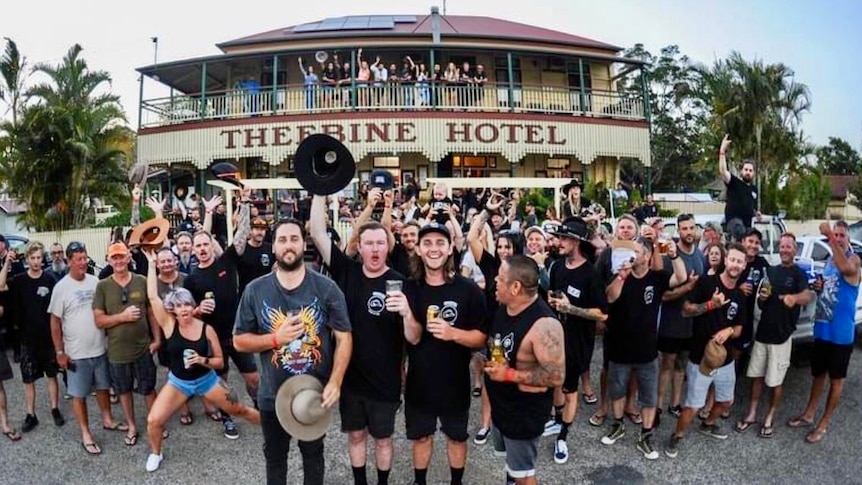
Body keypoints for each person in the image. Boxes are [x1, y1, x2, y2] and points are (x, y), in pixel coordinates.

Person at [233, 219, 352, 485]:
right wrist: (276, 338)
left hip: (313, 393)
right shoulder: (256, 290)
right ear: (273, 246)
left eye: (294, 239)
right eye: (282, 239)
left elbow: (344, 337)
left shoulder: (326, 288)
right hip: (272, 394)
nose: (289, 245)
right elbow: (239, 341)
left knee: (313, 456)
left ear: (304, 244)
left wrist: (335, 381)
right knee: (275, 460)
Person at [310, 194, 403, 485]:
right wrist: (319, 192)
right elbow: (316, 232)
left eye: (380, 243)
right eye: (369, 243)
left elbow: (412, 334)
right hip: (349, 376)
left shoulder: (401, 282)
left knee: (384, 439)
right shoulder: (346, 272)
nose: (375, 248)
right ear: (359, 248)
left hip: (386, 378)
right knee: (356, 435)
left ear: (387, 247)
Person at [386, 222, 487, 485]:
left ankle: (456, 482)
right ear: (417, 249)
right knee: (421, 437)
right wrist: (407, 313)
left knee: (456, 437)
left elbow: (480, 338)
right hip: (420, 382)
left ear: (450, 247)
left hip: (455, 382)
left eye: (440, 243)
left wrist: (453, 333)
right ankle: (420, 482)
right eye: (427, 243)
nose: (434, 249)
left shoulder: (467, 289)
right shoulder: (407, 289)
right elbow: (414, 337)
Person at [142, 249, 260, 472]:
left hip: (207, 380)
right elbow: (152, 296)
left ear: (191, 305)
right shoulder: (169, 325)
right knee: (153, 420)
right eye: (178, 306)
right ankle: (156, 453)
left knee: (241, 410)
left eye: (186, 304)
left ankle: (273, 426)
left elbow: (218, 363)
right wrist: (150, 264)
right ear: (173, 310)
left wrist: (202, 359)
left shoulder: (206, 328)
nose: (183, 309)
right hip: (178, 382)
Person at [601, 237, 687, 459]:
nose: (633, 255)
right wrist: (622, 275)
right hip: (620, 348)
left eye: (637, 251)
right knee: (617, 390)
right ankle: (618, 425)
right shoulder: (621, 275)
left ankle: (645, 436)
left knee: (648, 397)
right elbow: (610, 296)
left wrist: (674, 255)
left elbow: (681, 277)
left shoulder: (657, 278)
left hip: (647, 351)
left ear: (648, 256)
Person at [184, 191, 261, 439]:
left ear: (211, 245)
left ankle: (263, 412)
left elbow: (242, 234)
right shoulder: (191, 279)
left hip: (238, 334)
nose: (203, 249)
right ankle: (228, 418)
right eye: (198, 246)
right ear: (193, 251)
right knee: (222, 383)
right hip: (213, 340)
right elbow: (186, 315)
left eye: (206, 244)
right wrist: (197, 310)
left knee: (254, 379)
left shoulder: (226, 261)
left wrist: (246, 202)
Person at [484, 255, 564, 485]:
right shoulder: (505, 307)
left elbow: (556, 376)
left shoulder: (545, 324)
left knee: (524, 475)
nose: (495, 283)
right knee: (513, 468)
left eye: (499, 278)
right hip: (502, 409)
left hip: (523, 415)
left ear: (516, 286)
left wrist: (508, 374)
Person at [665, 243, 747, 458]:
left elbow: (739, 327)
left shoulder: (739, 296)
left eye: (740, 261)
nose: (735, 264)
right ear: (726, 261)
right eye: (733, 260)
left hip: (725, 360)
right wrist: (711, 304)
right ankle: (677, 434)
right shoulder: (707, 283)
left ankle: (708, 424)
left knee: (726, 401)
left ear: (744, 265)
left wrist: (729, 331)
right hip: (701, 358)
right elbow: (686, 310)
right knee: (692, 406)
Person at [788, 221, 860, 444]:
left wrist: (828, 233)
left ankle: (824, 423)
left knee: (836, 380)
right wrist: (819, 287)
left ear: (847, 238)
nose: (837, 238)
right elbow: (829, 284)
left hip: (840, 334)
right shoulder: (830, 260)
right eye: (835, 234)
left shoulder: (854, 259)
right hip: (822, 329)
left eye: (841, 235)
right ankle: (809, 414)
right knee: (817, 374)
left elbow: (847, 270)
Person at [49, 242, 124, 455]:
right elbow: (54, 323)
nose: (83, 263)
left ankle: (108, 419)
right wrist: (60, 352)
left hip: (100, 348)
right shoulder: (61, 287)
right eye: (78, 259)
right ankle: (85, 433)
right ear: (69, 261)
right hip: (76, 354)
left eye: (84, 258)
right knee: (79, 394)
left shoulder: (95, 282)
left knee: (102, 387)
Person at [737, 233, 812, 438]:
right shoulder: (770, 271)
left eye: (789, 247)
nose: (785, 250)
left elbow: (807, 296)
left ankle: (770, 416)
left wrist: (793, 298)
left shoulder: (798, 274)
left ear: (795, 250)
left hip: (781, 337)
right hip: (763, 333)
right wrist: (762, 298)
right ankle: (752, 413)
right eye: (782, 246)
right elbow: (762, 302)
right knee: (756, 377)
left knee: (776, 381)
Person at [545, 218, 607, 464]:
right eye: (559, 237)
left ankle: (563, 437)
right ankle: (557, 419)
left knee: (570, 390)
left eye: (563, 238)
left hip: (578, 343)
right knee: (555, 383)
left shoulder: (591, 274)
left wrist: (572, 309)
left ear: (577, 242)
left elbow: (602, 314)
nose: (558, 242)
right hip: (554, 340)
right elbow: (553, 296)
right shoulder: (557, 267)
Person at [94, 242, 161, 447]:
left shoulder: (141, 280)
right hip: (117, 351)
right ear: (108, 260)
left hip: (143, 347)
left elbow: (151, 312)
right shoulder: (103, 286)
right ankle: (132, 426)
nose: (118, 261)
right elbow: (99, 320)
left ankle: (155, 423)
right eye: (114, 257)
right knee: (124, 391)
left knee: (148, 388)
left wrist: (157, 339)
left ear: (128, 258)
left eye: (122, 256)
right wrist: (122, 317)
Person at [0, 241, 65, 432]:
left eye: (39, 257)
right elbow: (1, 284)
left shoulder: (49, 280)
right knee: (28, 380)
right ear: (27, 259)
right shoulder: (19, 280)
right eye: (33, 258)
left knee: (52, 375)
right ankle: (31, 414)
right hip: (27, 339)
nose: (36, 261)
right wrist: (6, 263)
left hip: (48, 338)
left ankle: (54, 408)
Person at [657, 214, 705, 420]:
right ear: (678, 230)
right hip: (671, 321)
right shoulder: (669, 256)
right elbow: (664, 296)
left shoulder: (700, 256)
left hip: (691, 322)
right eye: (684, 228)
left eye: (691, 228)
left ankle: (674, 404)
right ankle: (657, 406)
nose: (688, 232)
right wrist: (687, 286)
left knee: (681, 364)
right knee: (667, 363)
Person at [718, 135, 760, 241]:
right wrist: (722, 152)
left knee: (753, 238)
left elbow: (753, 208)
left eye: (750, 171)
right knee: (741, 231)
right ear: (741, 171)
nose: (748, 172)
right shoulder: (734, 182)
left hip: (748, 225)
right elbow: (723, 171)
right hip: (734, 222)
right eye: (746, 169)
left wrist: (757, 213)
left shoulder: (754, 190)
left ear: (754, 173)